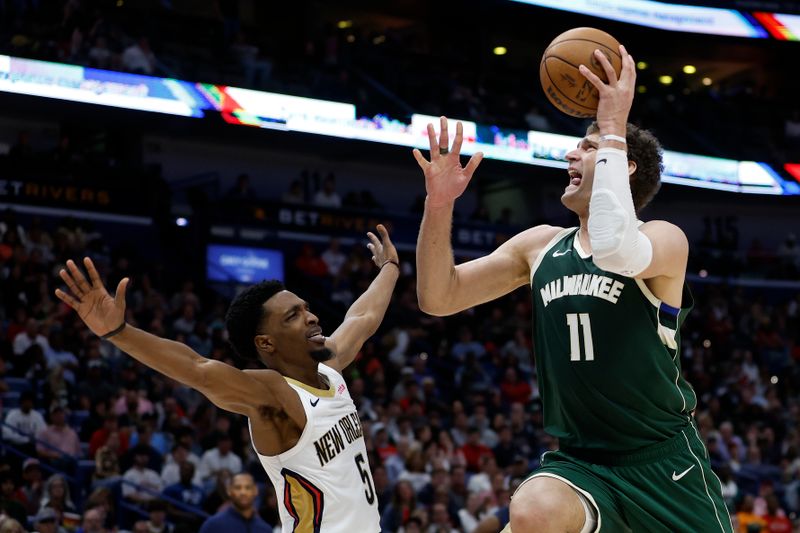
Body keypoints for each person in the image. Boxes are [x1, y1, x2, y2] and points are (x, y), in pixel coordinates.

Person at [413, 45, 733, 532]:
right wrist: (438, 206)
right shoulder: (539, 247)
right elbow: (439, 297)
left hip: (665, 462)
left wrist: (612, 129)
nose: (570, 152)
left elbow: (615, 251)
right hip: (581, 463)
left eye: (585, 146)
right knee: (532, 509)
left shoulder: (663, 240)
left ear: (620, 165)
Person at [55, 225, 399, 533]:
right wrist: (118, 332)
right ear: (266, 342)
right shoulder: (275, 395)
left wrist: (389, 268)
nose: (311, 317)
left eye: (306, 308)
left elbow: (363, 316)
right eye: (294, 316)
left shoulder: (330, 368)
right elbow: (198, 369)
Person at [198, 473, 270, 533]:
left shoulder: (265, 529)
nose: (243, 492)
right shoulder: (213, 525)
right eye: (238, 488)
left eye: (248, 487)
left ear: (255, 491)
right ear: (229, 491)